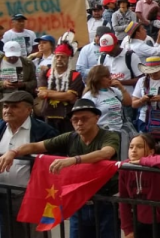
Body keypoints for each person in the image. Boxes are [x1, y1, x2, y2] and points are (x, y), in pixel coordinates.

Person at [0, 99, 120, 238]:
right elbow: (35, 146)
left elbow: (106, 153)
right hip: (78, 200)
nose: (79, 123)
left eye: (84, 118)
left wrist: (74, 160)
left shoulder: (109, 135)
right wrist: (13, 152)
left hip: (105, 200)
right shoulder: (70, 137)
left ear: (96, 118)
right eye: (75, 120)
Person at [0, 91, 58, 238]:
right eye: (5, 106)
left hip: (31, 196)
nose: (7, 110)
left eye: (14, 106)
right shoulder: (0, 128)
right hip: (3, 195)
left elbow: (56, 161)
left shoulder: (44, 131)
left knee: (35, 235)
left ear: (28, 109)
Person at [119, 133, 160, 238]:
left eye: (139, 147)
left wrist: (141, 162)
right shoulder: (125, 167)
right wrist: (127, 229)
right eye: (131, 147)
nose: (133, 150)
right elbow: (124, 200)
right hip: (140, 221)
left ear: (151, 151)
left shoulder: (156, 164)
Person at [36, 43, 84, 133]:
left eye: (63, 57)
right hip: (48, 115)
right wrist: (62, 93)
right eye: (57, 57)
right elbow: (41, 93)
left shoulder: (75, 75)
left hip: (67, 116)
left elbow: (70, 97)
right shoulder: (45, 72)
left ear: (68, 59)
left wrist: (48, 93)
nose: (59, 59)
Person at [81, 64, 132, 132]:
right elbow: (85, 117)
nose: (110, 78)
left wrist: (121, 88)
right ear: (98, 78)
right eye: (107, 77)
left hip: (119, 130)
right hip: (102, 132)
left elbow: (128, 102)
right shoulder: (89, 96)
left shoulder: (113, 90)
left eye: (110, 76)